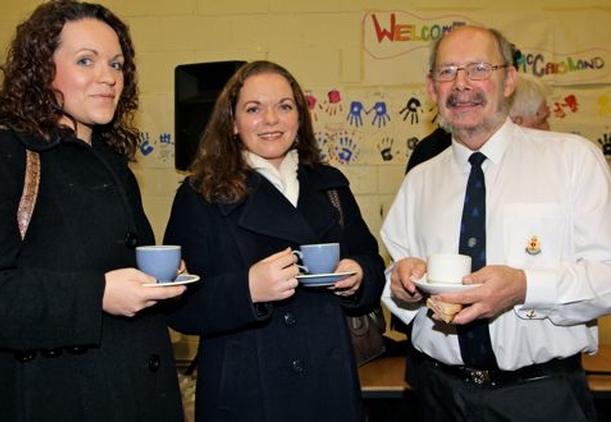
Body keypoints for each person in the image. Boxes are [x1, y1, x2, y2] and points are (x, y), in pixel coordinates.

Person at [381, 25, 611, 421]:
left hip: (541, 399)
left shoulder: (573, 160)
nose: (462, 84)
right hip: (437, 396)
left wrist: (524, 287)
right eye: (448, 71)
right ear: (432, 88)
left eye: (479, 68)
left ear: (509, 81)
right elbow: (397, 281)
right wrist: (403, 284)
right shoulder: (420, 181)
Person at [0, 1, 186, 421]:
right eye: (86, 60)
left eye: (117, 64)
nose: (108, 77)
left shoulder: (114, 165)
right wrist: (97, 295)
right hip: (51, 399)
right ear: (40, 69)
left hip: (131, 394)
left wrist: (157, 282)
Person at [163, 60, 386, 422]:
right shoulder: (200, 193)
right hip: (247, 393)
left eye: (284, 106)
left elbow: (373, 264)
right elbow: (179, 307)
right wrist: (246, 289)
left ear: (299, 118)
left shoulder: (330, 185)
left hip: (329, 386)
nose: (271, 119)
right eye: (254, 108)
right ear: (232, 123)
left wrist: (359, 275)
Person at [405, 59, 550, 174]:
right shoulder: (429, 160)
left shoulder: (561, 157)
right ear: (516, 120)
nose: (548, 127)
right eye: (543, 120)